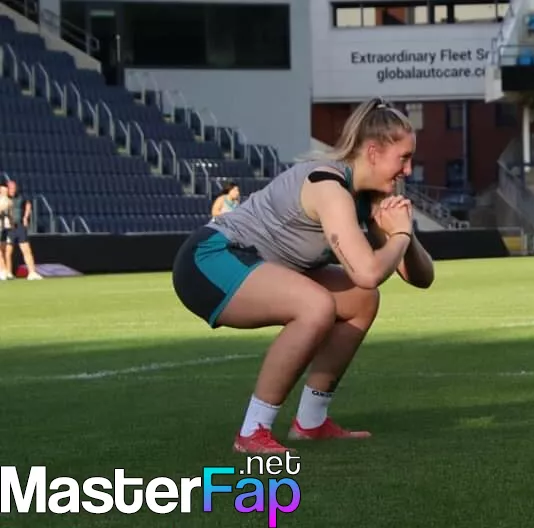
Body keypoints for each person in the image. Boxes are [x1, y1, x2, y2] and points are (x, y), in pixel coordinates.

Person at [171, 97, 436, 454]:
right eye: (403, 158)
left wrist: (405, 232)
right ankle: (252, 432)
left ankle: (311, 423)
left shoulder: (366, 196)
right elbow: (368, 272)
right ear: (373, 152)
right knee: (316, 305)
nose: (408, 170)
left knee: (361, 301)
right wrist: (400, 235)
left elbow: (420, 277)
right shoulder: (329, 187)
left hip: (254, 264)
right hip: (209, 260)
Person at [3, 180, 42, 280]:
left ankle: (32, 272)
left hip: (20, 226)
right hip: (8, 228)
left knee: (26, 250)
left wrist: (25, 217)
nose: (12, 190)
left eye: (14, 188)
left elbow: (28, 204)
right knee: (8, 251)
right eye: (10, 188)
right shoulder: (3, 199)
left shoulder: (21, 197)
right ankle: (8, 273)